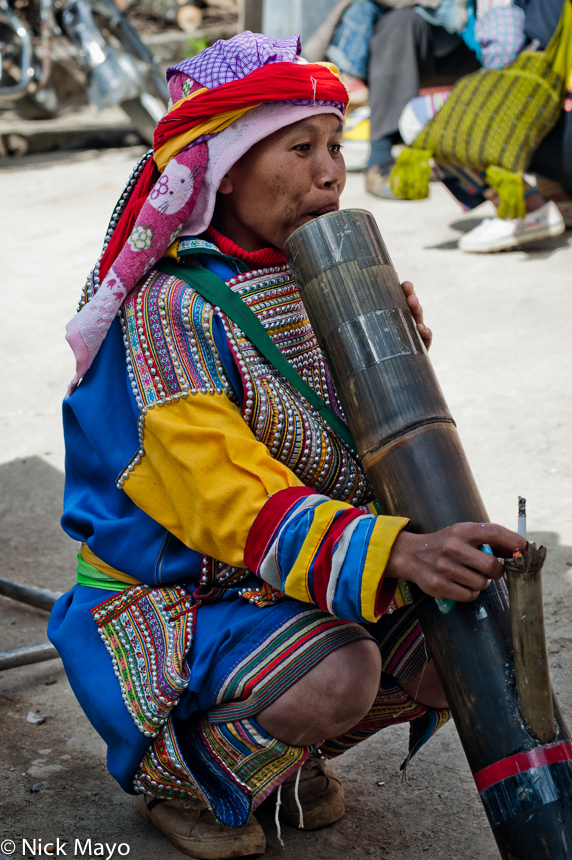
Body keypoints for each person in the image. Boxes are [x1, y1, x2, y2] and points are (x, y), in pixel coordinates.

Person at [48, 32, 526, 859]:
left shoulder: (298, 269)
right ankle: (191, 779)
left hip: (288, 574)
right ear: (226, 166)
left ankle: (279, 759)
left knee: (473, 632)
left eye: (336, 144)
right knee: (341, 674)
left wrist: (384, 355)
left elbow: (330, 438)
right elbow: (228, 499)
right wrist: (398, 552)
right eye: (300, 147)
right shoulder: (170, 308)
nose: (332, 170)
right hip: (183, 596)